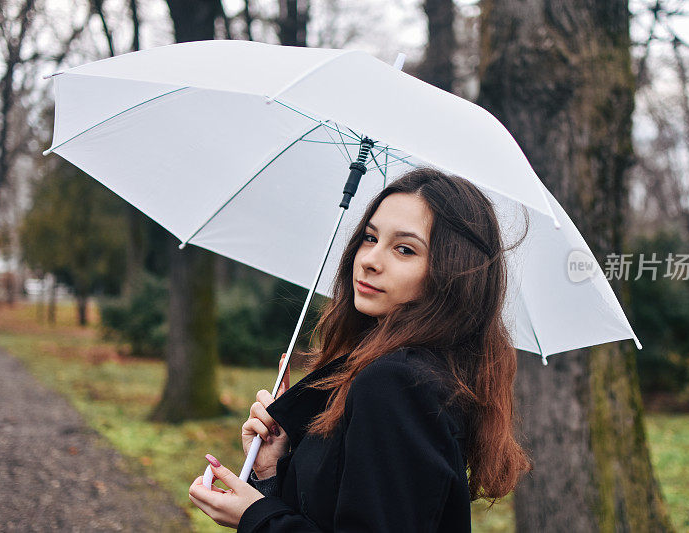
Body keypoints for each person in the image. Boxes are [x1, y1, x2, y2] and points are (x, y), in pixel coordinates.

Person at [188, 167, 532, 531]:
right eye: (370, 238)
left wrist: (255, 517)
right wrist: (272, 470)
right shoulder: (397, 372)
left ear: (451, 273)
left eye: (404, 249)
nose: (369, 260)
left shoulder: (398, 382)